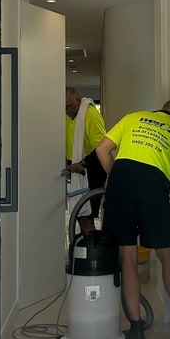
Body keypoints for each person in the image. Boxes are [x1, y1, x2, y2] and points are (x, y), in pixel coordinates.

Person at [95, 101, 170, 339]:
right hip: (154, 184)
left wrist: (115, 181)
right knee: (167, 257)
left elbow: (102, 149)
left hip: (121, 179)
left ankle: (137, 331)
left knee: (128, 257)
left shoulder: (133, 116)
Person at [65, 87, 107, 234]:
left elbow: (101, 147)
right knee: (79, 215)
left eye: (69, 106)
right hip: (75, 169)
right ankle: (85, 248)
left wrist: (83, 163)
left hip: (93, 168)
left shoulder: (90, 114)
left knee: (87, 215)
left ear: (78, 100)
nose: (66, 110)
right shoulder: (67, 116)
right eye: (64, 107)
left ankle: (91, 252)